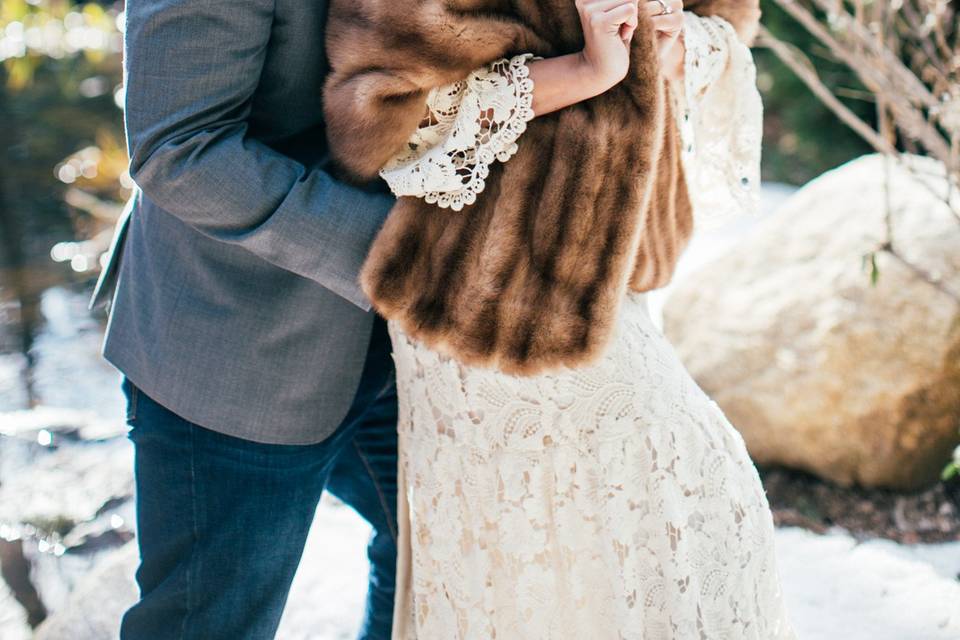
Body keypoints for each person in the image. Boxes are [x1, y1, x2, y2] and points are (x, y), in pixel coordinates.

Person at [324, 0, 798, 637]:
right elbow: (384, 115)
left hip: (618, 278)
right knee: (670, 514)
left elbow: (728, 22)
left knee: (627, 562)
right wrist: (588, 69)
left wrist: (680, 43)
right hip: (488, 295)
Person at [92, 0, 401, 637]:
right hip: (242, 342)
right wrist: (412, 262)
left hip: (412, 346)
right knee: (211, 622)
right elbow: (180, 151)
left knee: (434, 551)